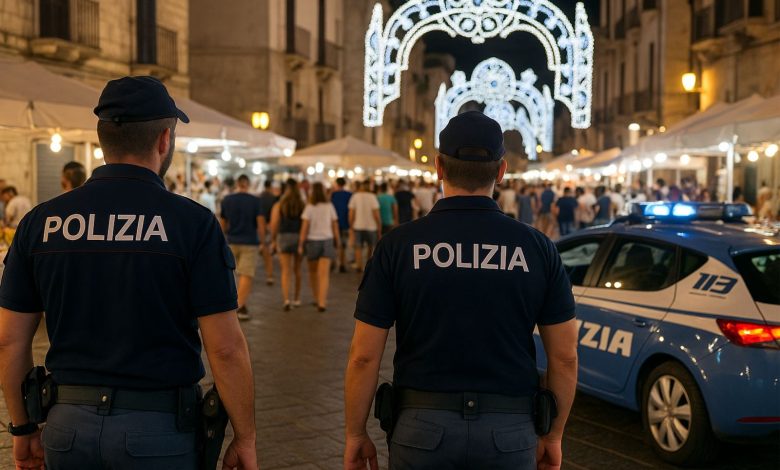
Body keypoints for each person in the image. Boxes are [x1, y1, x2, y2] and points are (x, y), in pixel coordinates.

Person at [0, 76, 256, 470]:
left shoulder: (41, 222)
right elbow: (225, 347)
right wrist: (245, 436)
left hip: (67, 427)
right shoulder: (192, 224)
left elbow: (8, 341)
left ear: (103, 142)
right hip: (158, 431)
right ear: (164, 140)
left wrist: (21, 428)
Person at [344, 111, 578, 470]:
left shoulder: (397, 246)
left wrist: (355, 433)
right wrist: (554, 435)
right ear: (500, 171)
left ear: (439, 167)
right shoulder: (537, 248)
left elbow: (363, 356)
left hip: (421, 426)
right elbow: (564, 357)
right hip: (510, 428)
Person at [220, 174, 263, 321]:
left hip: (232, 240)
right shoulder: (255, 201)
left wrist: (221, 239)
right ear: (248, 184)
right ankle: (238, 307)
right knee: (246, 275)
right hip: (250, 241)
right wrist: (263, 241)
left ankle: (239, 304)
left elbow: (223, 222)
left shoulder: (227, 200)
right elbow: (260, 222)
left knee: (233, 274)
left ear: (238, 184)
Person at [299, 182, 340, 312]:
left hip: (313, 241)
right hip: (327, 240)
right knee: (324, 274)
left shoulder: (310, 207)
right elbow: (335, 225)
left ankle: (317, 298)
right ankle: (322, 302)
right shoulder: (329, 206)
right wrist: (337, 240)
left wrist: (301, 243)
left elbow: (304, 227)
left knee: (313, 273)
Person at [270, 179, 305, 311]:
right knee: (297, 269)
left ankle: (286, 299)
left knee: (286, 270)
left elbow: (274, 224)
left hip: (284, 237)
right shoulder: (302, 204)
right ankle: (297, 298)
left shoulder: (280, 204)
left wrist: (273, 239)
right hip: (298, 237)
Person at [349, 181, 381, 272]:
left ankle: (359, 265)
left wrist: (351, 226)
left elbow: (351, 213)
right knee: (370, 246)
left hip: (358, 226)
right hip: (371, 226)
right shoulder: (372, 197)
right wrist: (379, 226)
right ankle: (368, 265)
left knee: (358, 247)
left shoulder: (355, 196)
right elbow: (376, 214)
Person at [257, 180, 277, 286]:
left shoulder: (259, 197)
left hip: (260, 225)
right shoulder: (273, 198)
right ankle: (269, 275)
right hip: (270, 225)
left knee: (264, 250)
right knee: (268, 253)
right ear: (271, 186)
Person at [330, 177, 352, 273]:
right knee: (343, 244)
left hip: (334, 222)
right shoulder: (349, 194)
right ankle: (342, 263)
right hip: (345, 222)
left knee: (334, 243)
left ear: (336, 184)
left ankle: (334, 262)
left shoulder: (333, 195)